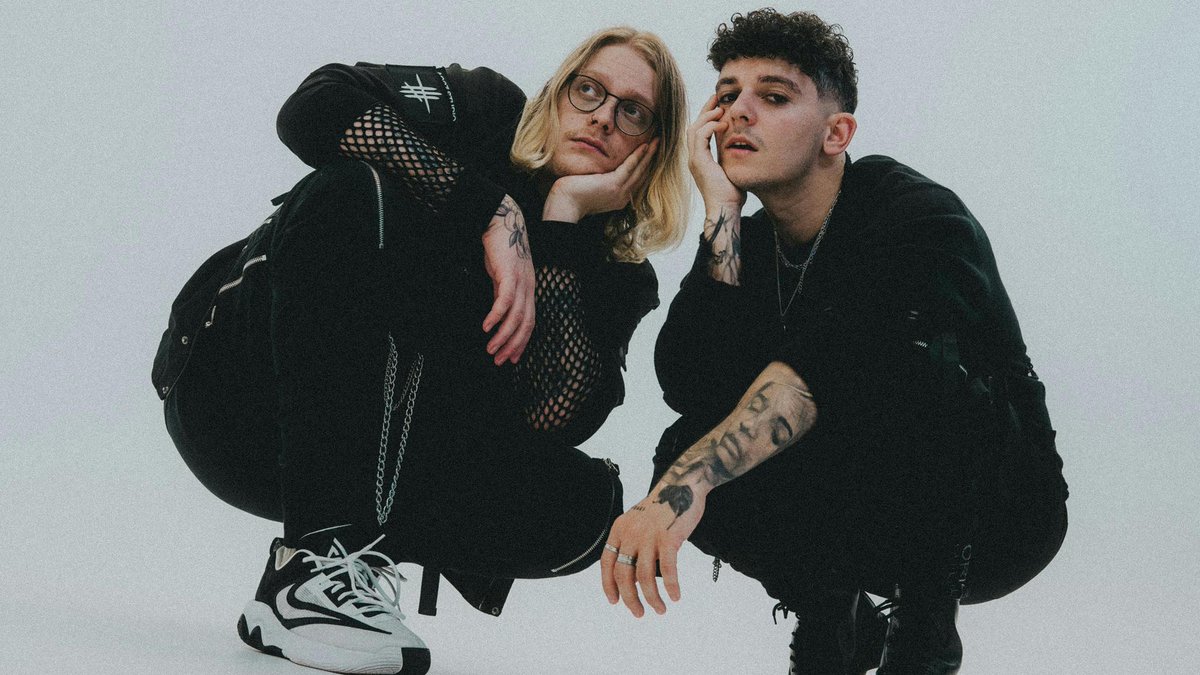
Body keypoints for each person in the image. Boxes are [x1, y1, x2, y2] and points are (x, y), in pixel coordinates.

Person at [153, 26, 687, 675]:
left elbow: (549, 421)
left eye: (632, 112)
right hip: (233, 393)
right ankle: (316, 561)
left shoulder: (619, 275)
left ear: (652, 148)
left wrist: (561, 218)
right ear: (556, 94)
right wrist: (492, 211)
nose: (602, 116)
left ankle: (337, 566)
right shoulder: (485, 110)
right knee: (359, 189)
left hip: (372, 454)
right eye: (589, 91)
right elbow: (314, 103)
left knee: (584, 506)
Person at [600, 10, 1069, 675]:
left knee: (908, 367)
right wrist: (722, 214)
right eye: (727, 95)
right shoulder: (751, 241)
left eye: (774, 96)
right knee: (688, 437)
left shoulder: (916, 216)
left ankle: (923, 636)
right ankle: (833, 626)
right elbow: (692, 380)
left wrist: (682, 488)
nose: (739, 113)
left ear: (836, 133)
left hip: (999, 514)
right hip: (860, 507)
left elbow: (827, 369)